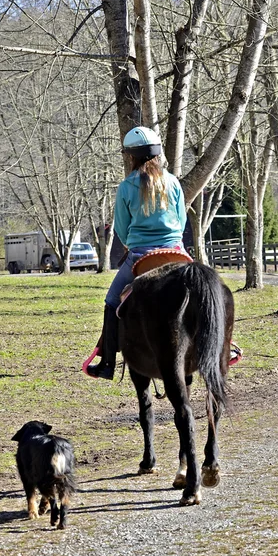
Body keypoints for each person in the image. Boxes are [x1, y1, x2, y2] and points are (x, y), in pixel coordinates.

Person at [86, 126, 187, 380]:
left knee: (111, 302)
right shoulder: (172, 182)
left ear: (132, 156)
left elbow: (121, 227)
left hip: (141, 257)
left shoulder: (126, 187)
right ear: (156, 154)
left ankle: (107, 363)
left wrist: (134, 242)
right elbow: (182, 220)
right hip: (176, 253)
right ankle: (224, 347)